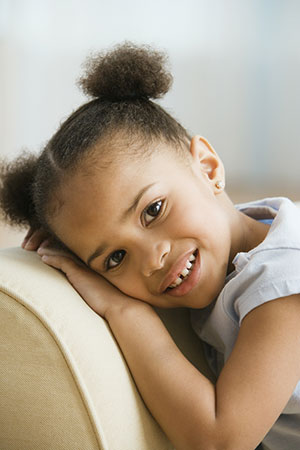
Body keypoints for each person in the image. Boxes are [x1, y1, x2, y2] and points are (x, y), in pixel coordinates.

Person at [1, 42, 300, 450]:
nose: (152, 258)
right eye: (115, 258)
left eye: (152, 210)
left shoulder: (282, 280)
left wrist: (122, 309)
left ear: (209, 169)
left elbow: (219, 440)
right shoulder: (237, 245)